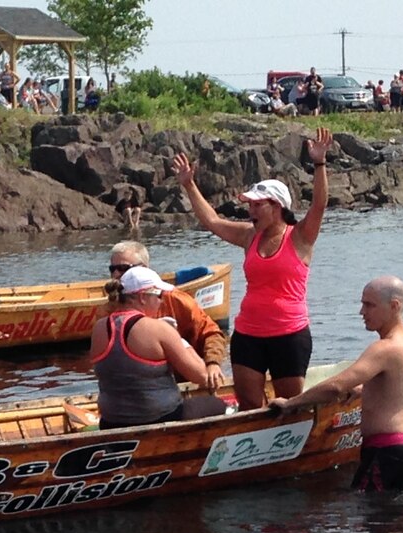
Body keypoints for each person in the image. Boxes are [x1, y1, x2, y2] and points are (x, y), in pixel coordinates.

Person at [173, 127, 331, 409]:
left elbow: (319, 205)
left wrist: (319, 163)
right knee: (249, 406)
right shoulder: (249, 236)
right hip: (248, 334)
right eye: (250, 205)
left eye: (258, 205)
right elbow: (212, 222)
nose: (251, 210)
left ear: (278, 207)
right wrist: (189, 184)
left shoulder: (300, 236)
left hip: (289, 335)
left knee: (289, 405)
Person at [271, 276, 403, 491]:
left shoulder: (385, 348)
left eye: (369, 305)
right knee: (401, 519)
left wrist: (292, 403)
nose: (362, 312)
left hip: (387, 451)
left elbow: (336, 386)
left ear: (394, 306)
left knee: (378, 521)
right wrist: (363, 390)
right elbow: (401, 387)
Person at [90, 267, 223, 429]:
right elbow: (200, 375)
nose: (162, 301)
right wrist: (180, 340)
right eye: (159, 295)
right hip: (159, 418)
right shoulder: (159, 329)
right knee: (217, 405)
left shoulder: (98, 327)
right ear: (142, 297)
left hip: (110, 422)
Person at [108, 241, 228, 390]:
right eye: (112, 269)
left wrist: (213, 363)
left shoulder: (176, 300)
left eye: (123, 268)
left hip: (182, 382)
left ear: (144, 269)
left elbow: (211, 333)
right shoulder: (109, 310)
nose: (116, 275)